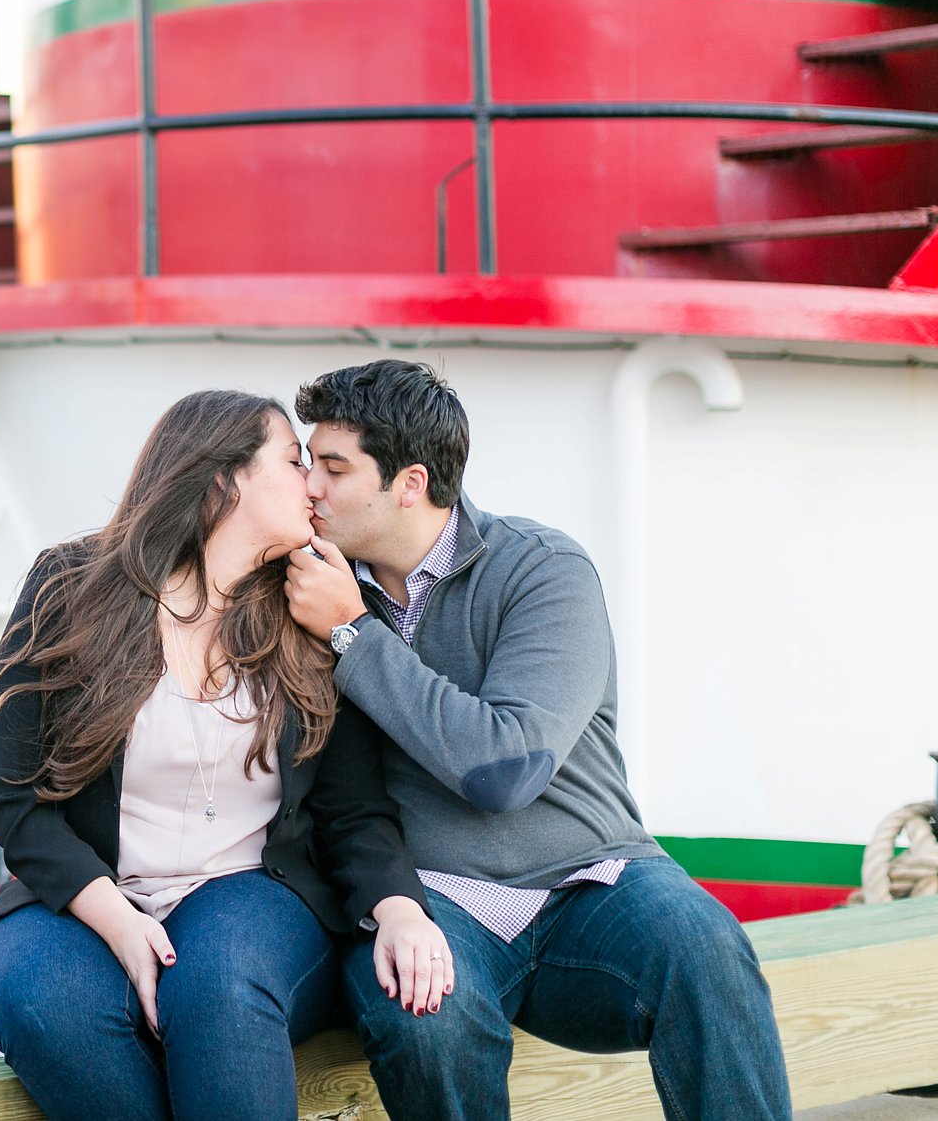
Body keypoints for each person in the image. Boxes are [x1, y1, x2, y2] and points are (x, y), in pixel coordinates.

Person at [281, 359, 791, 1121]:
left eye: (333, 466)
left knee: (707, 948)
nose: (308, 486)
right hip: (433, 897)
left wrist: (355, 636)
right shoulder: (309, 588)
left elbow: (504, 767)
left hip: (589, 878)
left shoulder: (542, 570)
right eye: (307, 462)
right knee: (427, 1022)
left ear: (410, 482)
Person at [0, 389, 451, 1121]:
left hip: (249, 889)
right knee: (48, 1007)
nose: (314, 485)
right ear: (224, 478)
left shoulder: (315, 607)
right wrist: (120, 921)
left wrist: (399, 909)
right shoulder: (69, 587)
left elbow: (353, 810)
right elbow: (13, 793)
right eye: (295, 462)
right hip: (83, 888)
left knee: (221, 986)